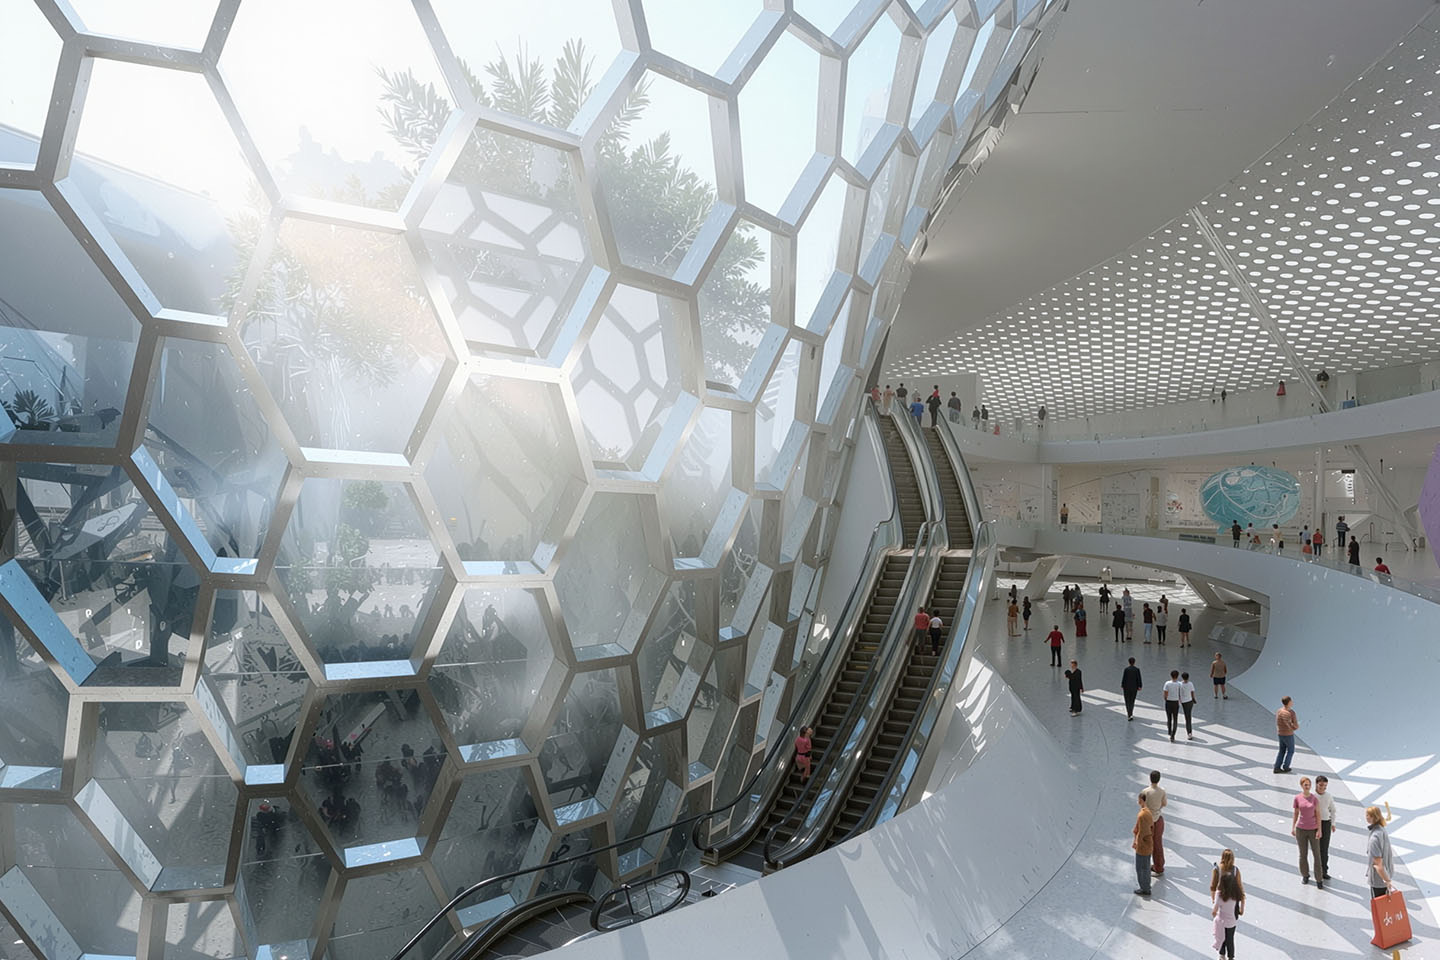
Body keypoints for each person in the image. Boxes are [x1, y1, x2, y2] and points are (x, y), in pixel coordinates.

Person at [1292, 776, 1324, 888]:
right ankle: (1305, 875)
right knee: (1303, 854)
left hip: (1313, 829)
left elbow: (1318, 814)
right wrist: (1293, 827)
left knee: (1317, 854)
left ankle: (1319, 879)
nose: (1308, 787)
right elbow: (1296, 813)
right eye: (1305, 785)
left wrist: (1319, 829)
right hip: (1301, 829)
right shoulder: (1297, 798)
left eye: (1309, 785)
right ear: (1302, 786)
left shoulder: (1314, 799)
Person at [1365, 804, 1396, 901]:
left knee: (1378, 906)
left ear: (1372, 817)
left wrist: (1387, 881)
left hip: (1378, 880)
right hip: (1387, 874)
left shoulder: (1374, 838)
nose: (1366, 817)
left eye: (1367, 815)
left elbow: (1378, 864)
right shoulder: (1382, 830)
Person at [1142, 770, 1167, 876]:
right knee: (1158, 843)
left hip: (1148, 820)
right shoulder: (1162, 791)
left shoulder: (1145, 791)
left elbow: (1142, 804)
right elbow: (1164, 804)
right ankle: (1159, 866)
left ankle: (1145, 865)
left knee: (1145, 843)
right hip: (1158, 819)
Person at [1212, 872, 1241, 960]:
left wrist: (1215, 916)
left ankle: (1222, 956)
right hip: (1232, 921)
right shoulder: (1236, 893)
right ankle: (1231, 957)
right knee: (1230, 940)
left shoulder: (1219, 894)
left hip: (1221, 921)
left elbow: (1214, 910)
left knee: (1221, 938)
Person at [1132, 792, 1154, 896]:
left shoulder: (1142, 815)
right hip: (1148, 844)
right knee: (1146, 866)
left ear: (1141, 800)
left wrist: (1137, 843)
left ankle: (1144, 888)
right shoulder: (1148, 812)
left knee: (1141, 868)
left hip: (1143, 846)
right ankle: (1146, 886)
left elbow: (1142, 832)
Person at [1315, 775, 1336, 881]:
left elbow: (1333, 810)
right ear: (1316, 784)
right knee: (1316, 848)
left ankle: (1324, 871)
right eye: (1321, 785)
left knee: (1324, 848)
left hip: (1326, 823)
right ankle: (1316, 871)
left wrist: (1333, 823)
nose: (1323, 788)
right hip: (1314, 824)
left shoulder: (1328, 796)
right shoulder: (1312, 796)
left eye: (1325, 786)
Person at [1274, 695, 1298, 773]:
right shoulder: (1291, 713)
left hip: (1280, 733)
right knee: (1290, 751)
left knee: (1282, 750)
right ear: (1289, 702)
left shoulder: (1279, 711)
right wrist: (1295, 727)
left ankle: (1277, 767)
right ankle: (1286, 766)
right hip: (1288, 735)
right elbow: (1295, 726)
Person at [1162, 670, 1184, 742]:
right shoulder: (1179, 684)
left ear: (1171, 675)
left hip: (1168, 702)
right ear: (1177, 676)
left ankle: (1169, 730)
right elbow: (1180, 693)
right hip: (1175, 702)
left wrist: (1166, 698)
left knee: (1169, 718)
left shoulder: (1167, 683)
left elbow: (1165, 693)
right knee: (1175, 718)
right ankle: (1173, 734)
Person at [1179, 671, 1197, 740]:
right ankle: (1189, 733)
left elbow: (1179, 693)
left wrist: (1179, 700)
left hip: (1184, 702)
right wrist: (1193, 699)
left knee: (1187, 716)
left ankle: (1189, 732)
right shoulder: (1190, 684)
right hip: (1190, 701)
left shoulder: (1180, 684)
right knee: (1188, 716)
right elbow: (1192, 692)